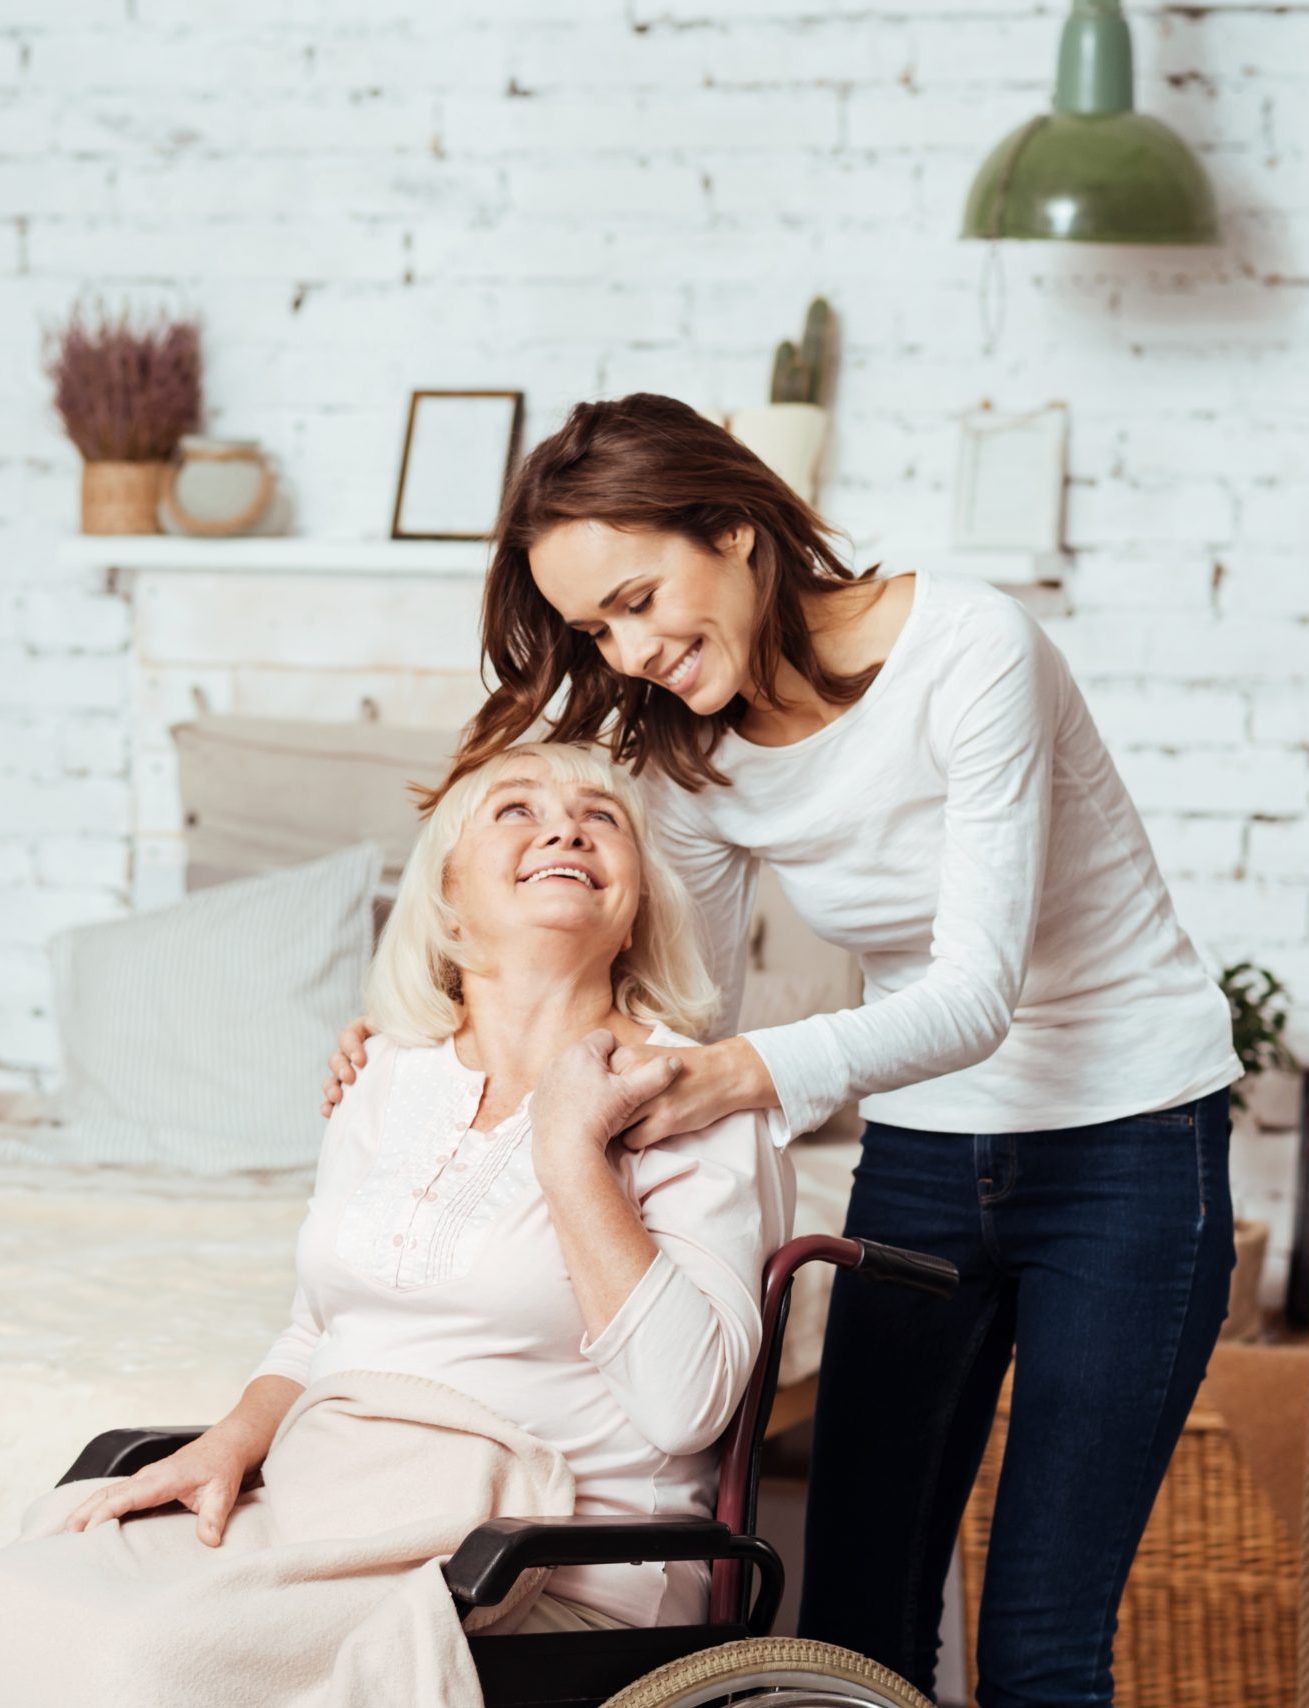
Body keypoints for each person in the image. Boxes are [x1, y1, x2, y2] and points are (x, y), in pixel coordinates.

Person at [324, 394, 1240, 1708]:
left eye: (642, 597)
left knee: (1039, 1642)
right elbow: (678, 1015)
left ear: (739, 529)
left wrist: (745, 1076)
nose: (632, 650)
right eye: (597, 628)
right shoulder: (691, 753)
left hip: (1130, 1143)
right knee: (856, 1626)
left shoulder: (972, 649)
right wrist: (419, 1059)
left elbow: (974, 997)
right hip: (925, 1148)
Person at [3, 741, 792, 1701]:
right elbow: (317, 1328)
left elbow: (688, 1404)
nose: (564, 826)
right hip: (322, 1507)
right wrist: (228, 1441)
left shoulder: (695, 1093)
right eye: (515, 808)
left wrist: (569, 1154)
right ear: (449, 898)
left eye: (602, 815)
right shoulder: (385, 1076)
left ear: (635, 905)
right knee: (32, 1596)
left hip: (533, 1559)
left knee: (146, 1662)